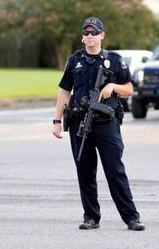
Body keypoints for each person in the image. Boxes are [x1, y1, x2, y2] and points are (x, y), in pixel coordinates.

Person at [52, 16, 145, 231]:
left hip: (106, 123)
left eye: (94, 33)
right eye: (86, 33)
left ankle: (131, 217)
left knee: (115, 171)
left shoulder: (114, 60)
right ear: (82, 37)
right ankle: (91, 216)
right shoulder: (75, 60)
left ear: (102, 35)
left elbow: (129, 89)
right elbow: (65, 90)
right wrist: (57, 120)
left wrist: (113, 86)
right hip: (79, 122)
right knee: (84, 171)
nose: (90, 37)